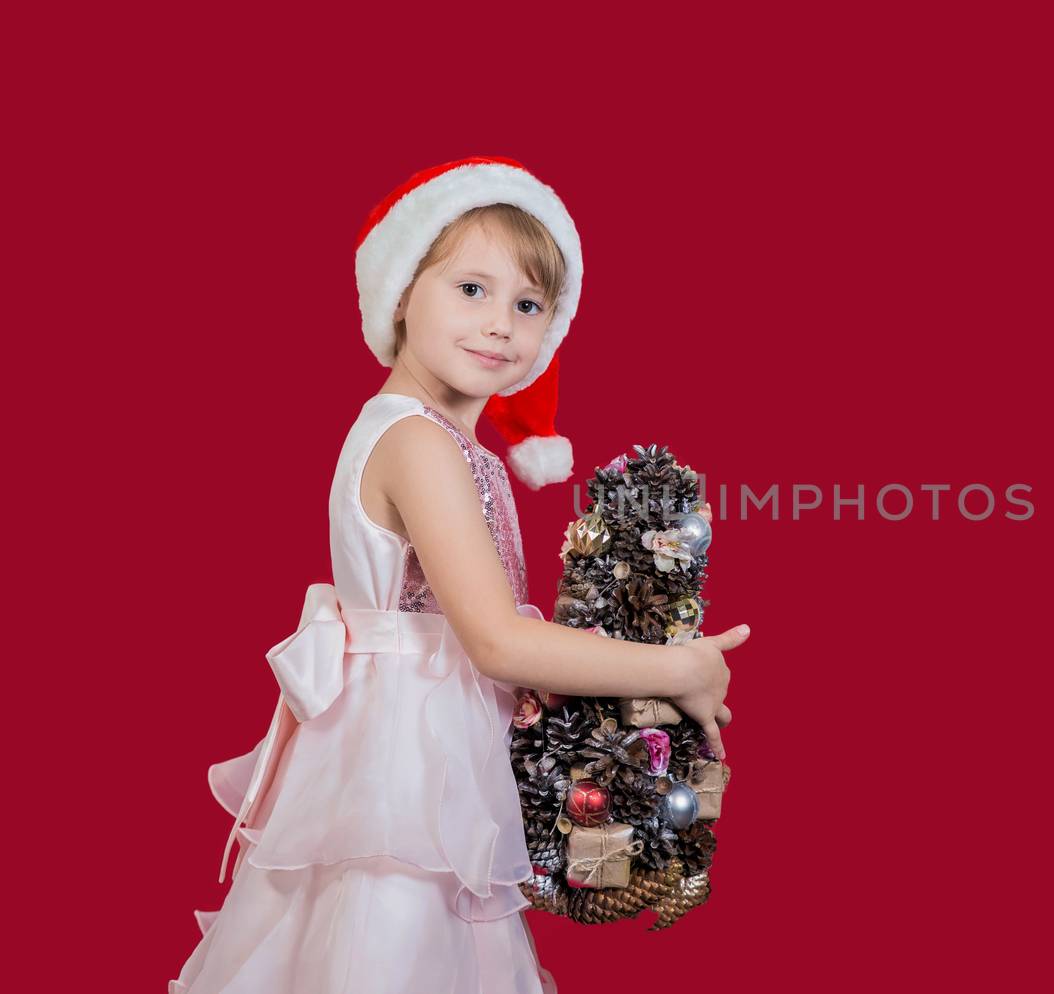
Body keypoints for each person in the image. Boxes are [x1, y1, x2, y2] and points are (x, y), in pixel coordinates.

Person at [169, 156, 751, 993]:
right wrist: (679, 668)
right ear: (404, 292)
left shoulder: (453, 446)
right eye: (470, 290)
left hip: (435, 766)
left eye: (526, 305)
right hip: (405, 786)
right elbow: (492, 639)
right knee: (392, 950)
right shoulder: (416, 441)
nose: (501, 326)